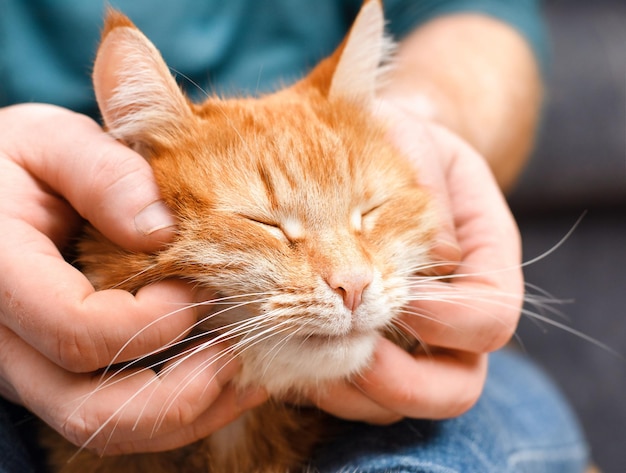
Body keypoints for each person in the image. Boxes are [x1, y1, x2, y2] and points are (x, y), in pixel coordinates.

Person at [0, 1, 589, 472]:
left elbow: (480, 20)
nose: (351, 278)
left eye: (369, 214)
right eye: (268, 226)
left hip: (405, 360)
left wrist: (427, 124)